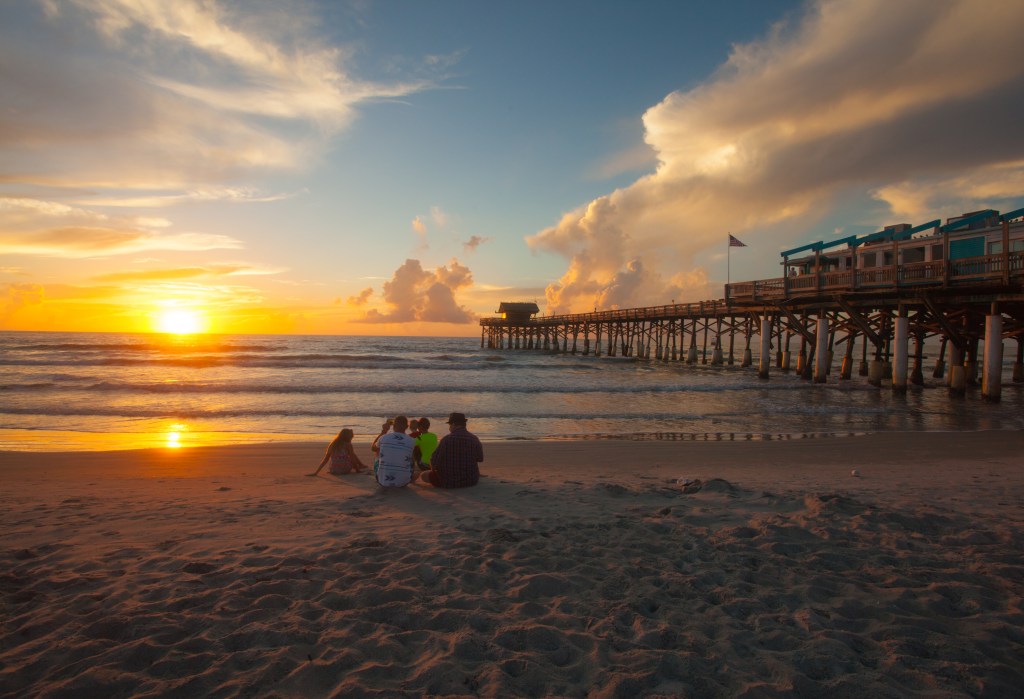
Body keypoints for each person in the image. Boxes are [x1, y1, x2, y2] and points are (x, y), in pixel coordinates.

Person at [422, 412, 483, 488]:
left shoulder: (446, 440)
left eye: (450, 425)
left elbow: (434, 462)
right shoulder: (474, 439)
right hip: (471, 480)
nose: (449, 427)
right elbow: (480, 458)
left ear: (453, 424)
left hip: (449, 481)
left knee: (423, 475)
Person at [371, 415, 420, 488]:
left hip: (381, 481)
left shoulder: (384, 437)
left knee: (378, 450)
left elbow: (373, 448)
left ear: (393, 426)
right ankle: (404, 476)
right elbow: (413, 459)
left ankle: (383, 472)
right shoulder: (411, 441)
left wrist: (384, 431)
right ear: (407, 427)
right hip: (404, 483)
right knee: (409, 455)